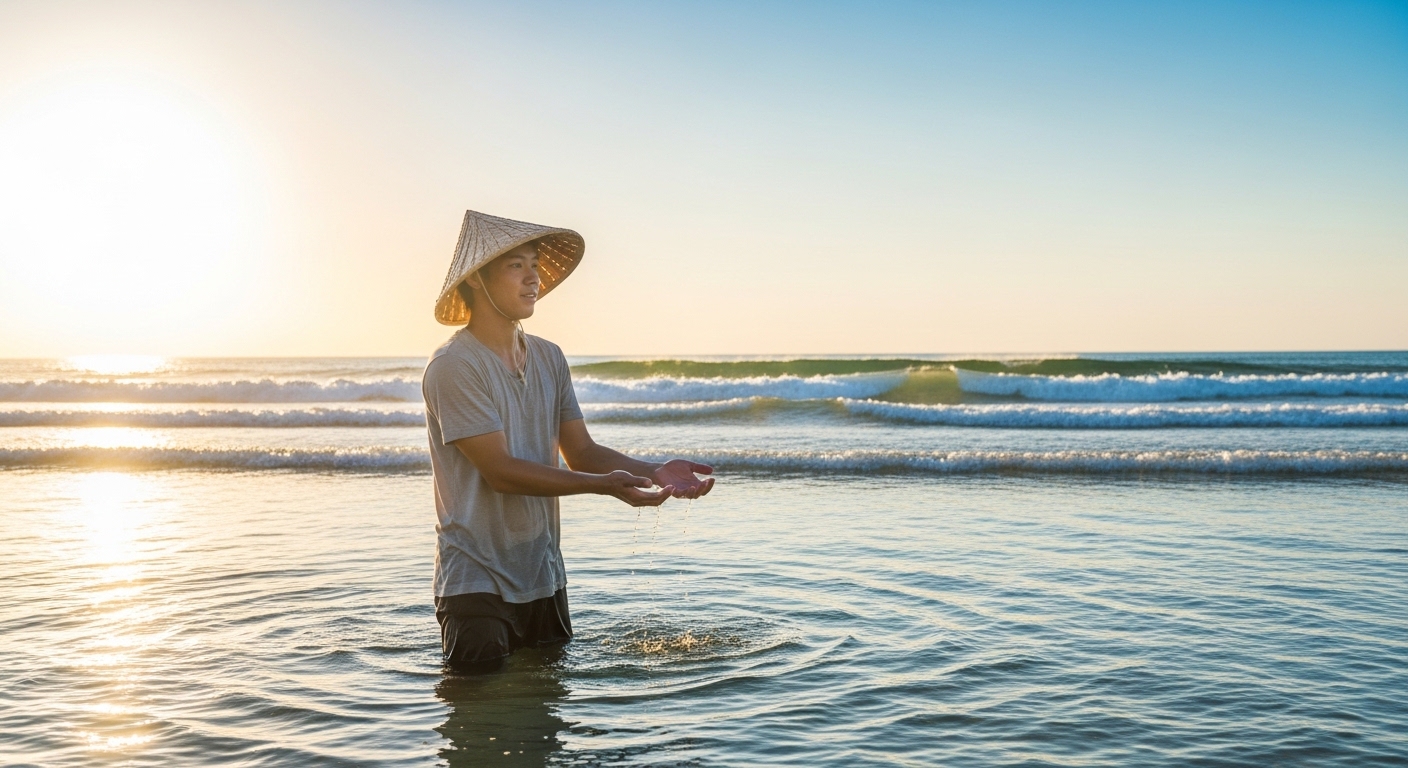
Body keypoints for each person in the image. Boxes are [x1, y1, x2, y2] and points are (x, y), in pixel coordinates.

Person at [422, 210, 714, 671]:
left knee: (547, 709)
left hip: (544, 574)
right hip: (476, 583)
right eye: (516, 265)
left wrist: (652, 471)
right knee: (479, 712)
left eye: (535, 265)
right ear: (476, 278)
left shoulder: (549, 357)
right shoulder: (454, 365)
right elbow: (500, 472)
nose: (533, 278)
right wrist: (603, 486)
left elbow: (581, 452)